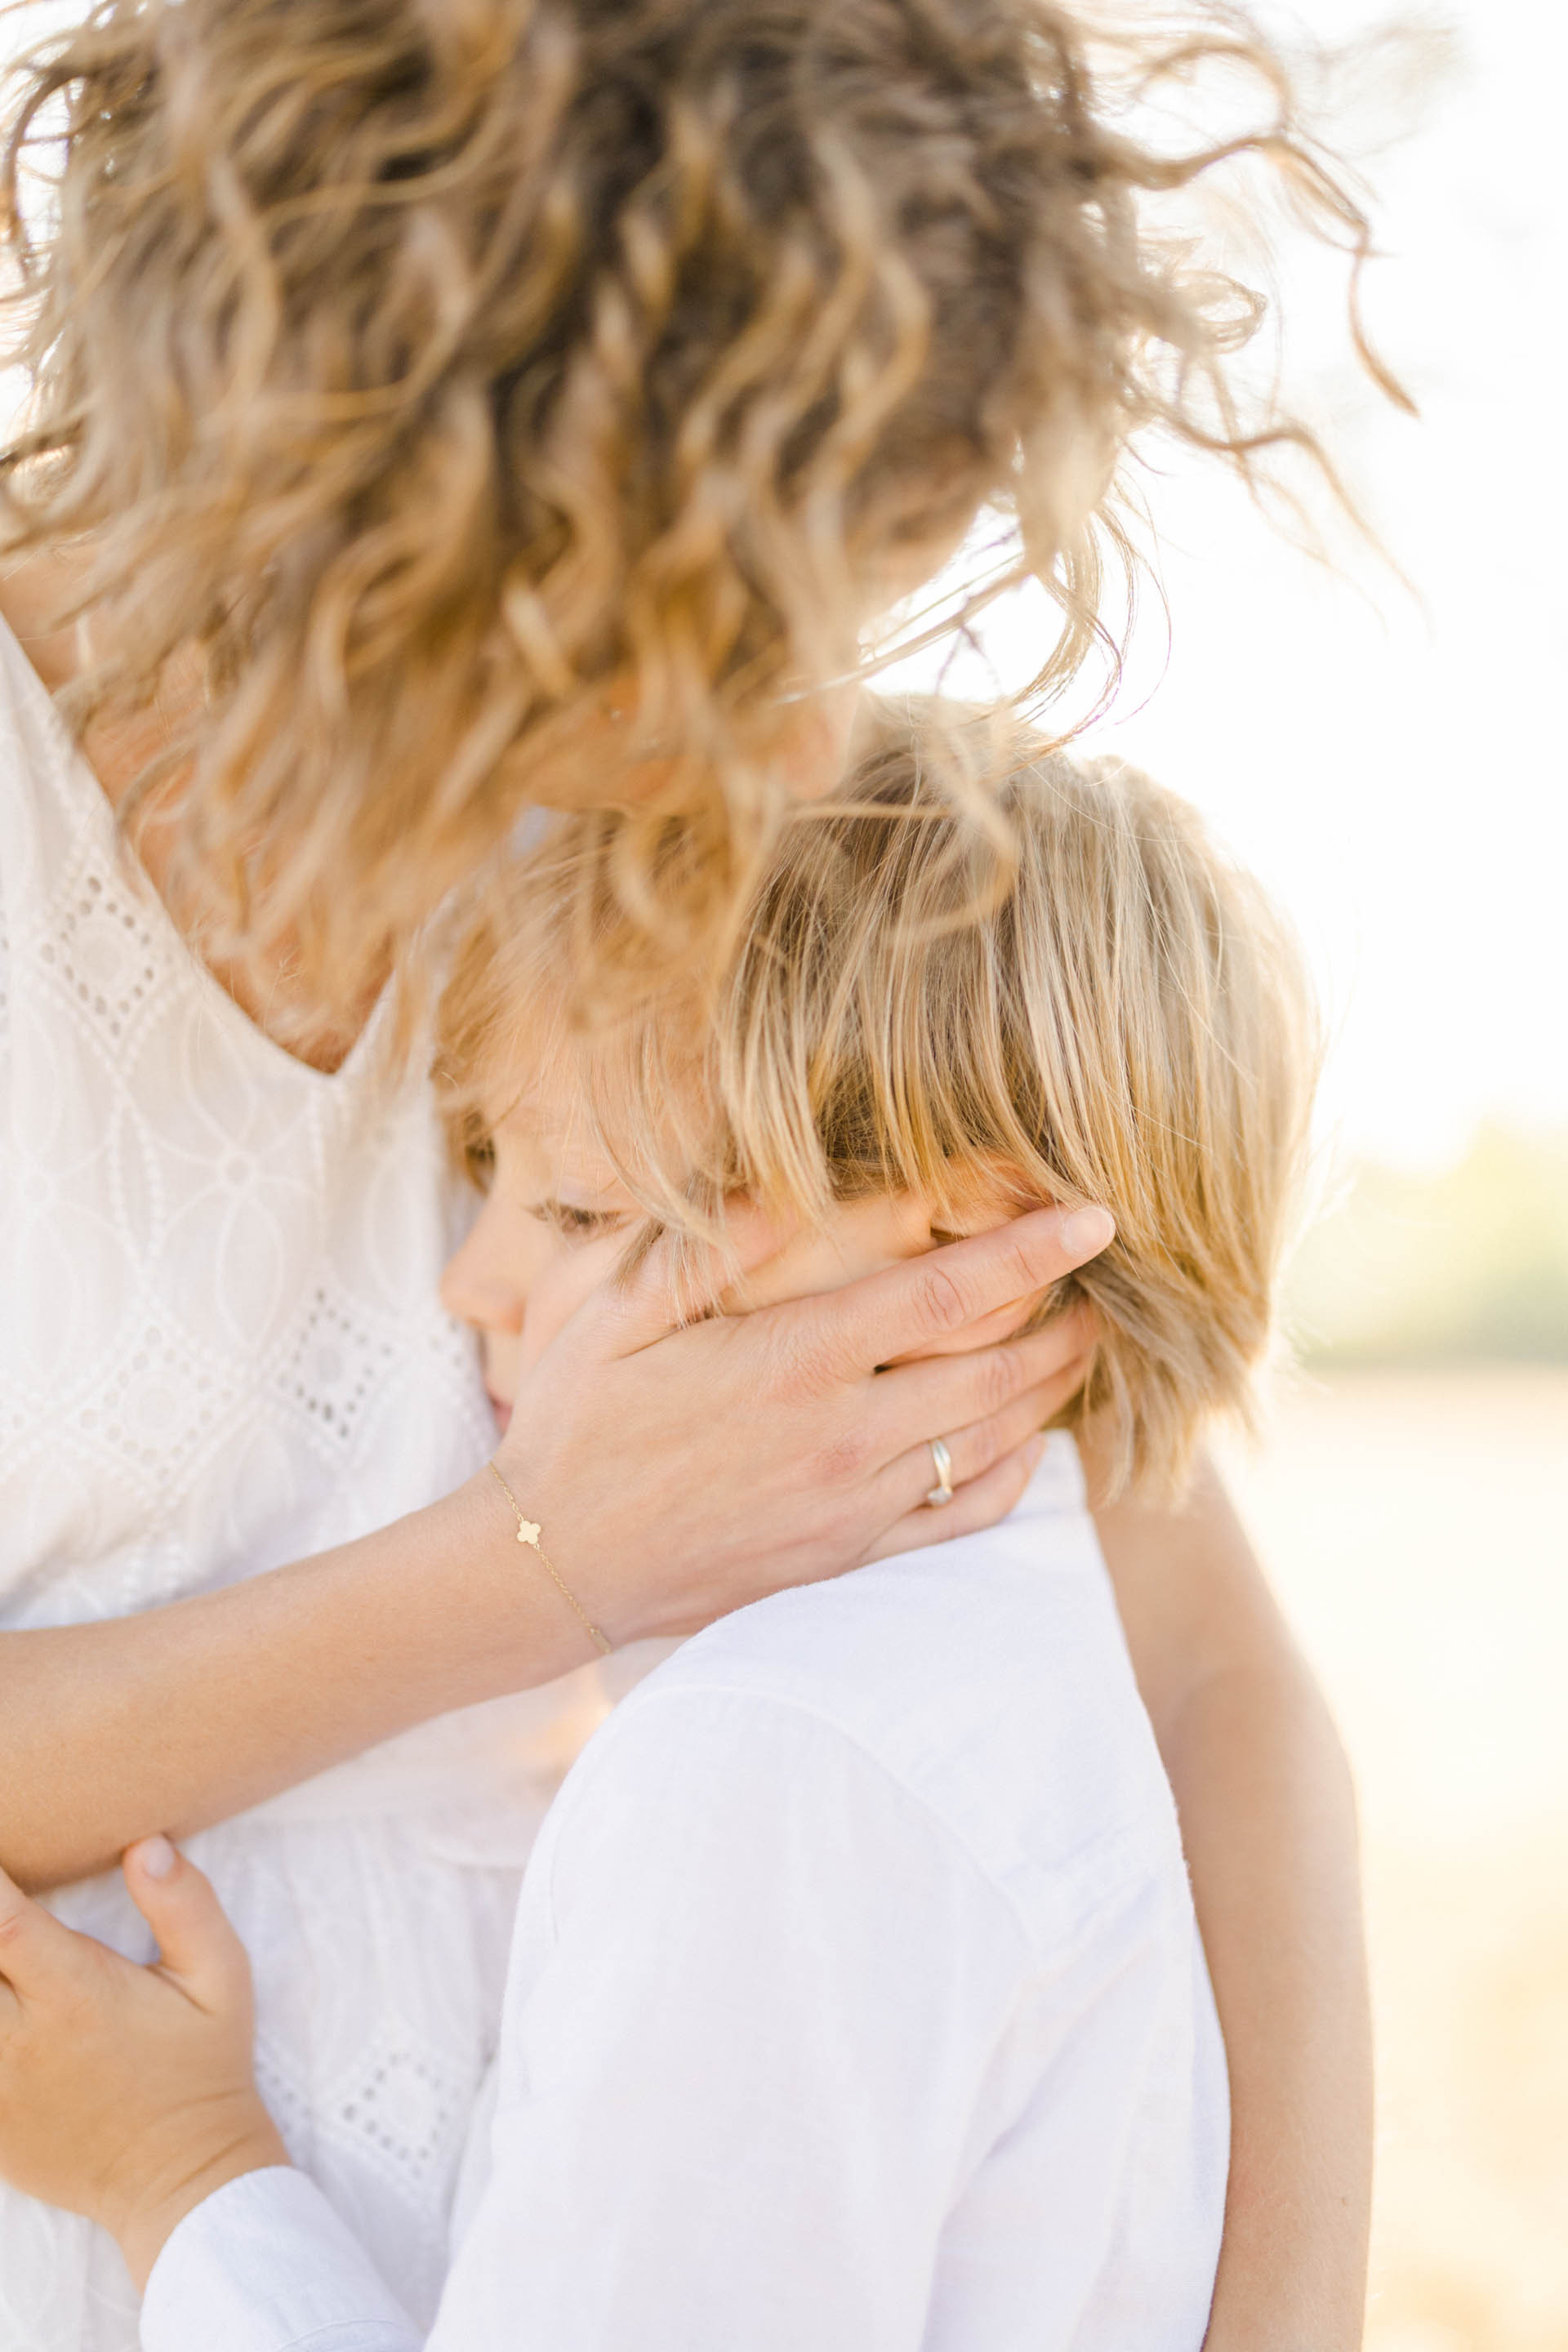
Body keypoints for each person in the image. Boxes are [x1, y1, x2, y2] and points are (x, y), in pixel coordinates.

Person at [0, 2, 1372, 2345]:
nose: (813, 727)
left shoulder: (673, 860)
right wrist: (549, 1563)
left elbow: (1212, 1664)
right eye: (737, 608)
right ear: (415, 478)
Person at [0, 703, 1340, 2349]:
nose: (466, 1279)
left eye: (575, 1208)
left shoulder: (775, 1766)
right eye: (477, 1166)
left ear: (971, 1244)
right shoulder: (1007, 1675)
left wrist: (181, 2174)